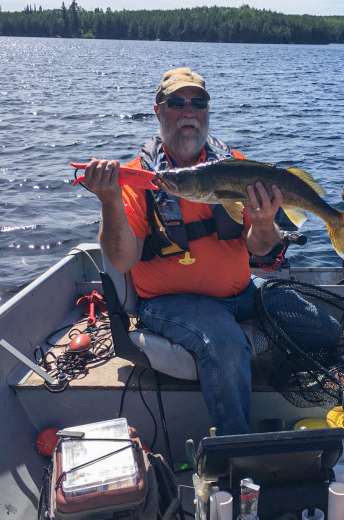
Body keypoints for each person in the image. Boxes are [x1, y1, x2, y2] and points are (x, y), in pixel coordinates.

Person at [83, 68, 285, 435]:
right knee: (224, 343)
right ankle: (236, 458)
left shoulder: (235, 166)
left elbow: (260, 247)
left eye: (198, 102)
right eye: (176, 102)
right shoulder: (136, 178)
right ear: (159, 111)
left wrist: (266, 222)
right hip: (169, 303)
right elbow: (122, 260)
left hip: (242, 295)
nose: (188, 111)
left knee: (321, 328)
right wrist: (109, 200)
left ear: (208, 111)